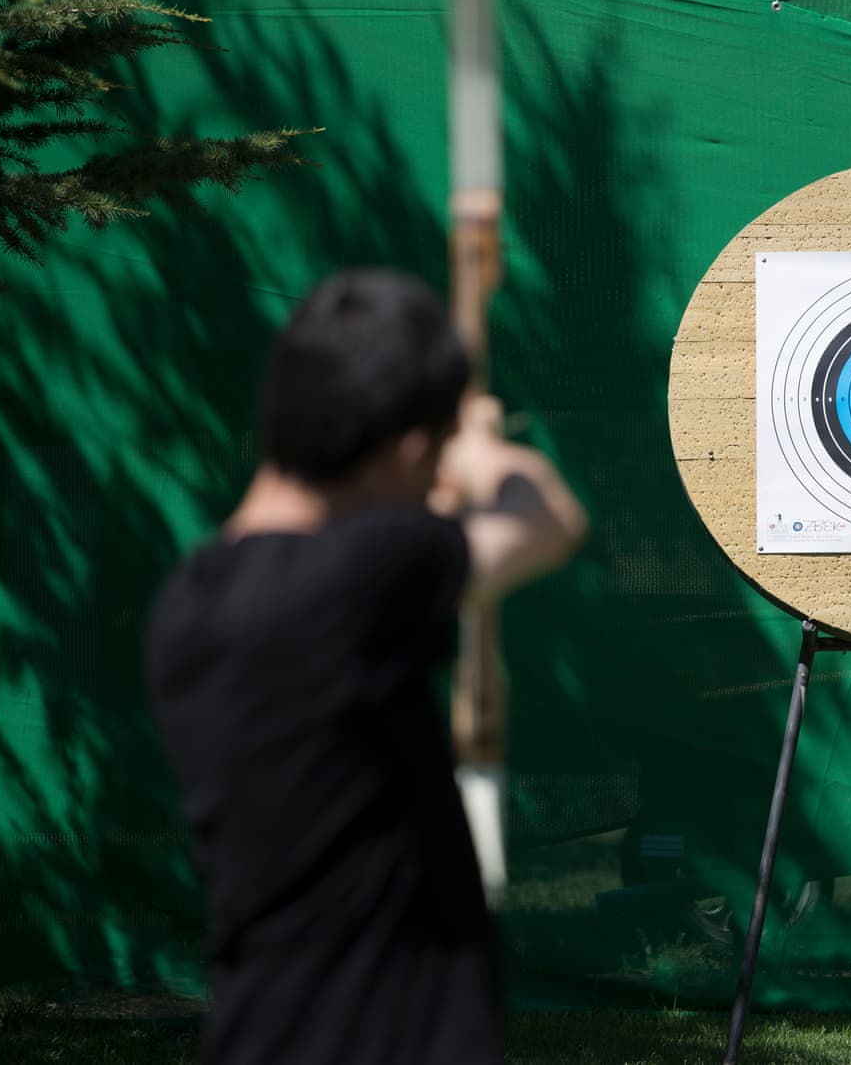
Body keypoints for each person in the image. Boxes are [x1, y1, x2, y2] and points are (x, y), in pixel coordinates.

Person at [144, 268, 587, 1065]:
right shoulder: (362, 574)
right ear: (409, 448)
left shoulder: (190, 600)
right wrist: (481, 452)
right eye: (430, 457)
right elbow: (549, 518)